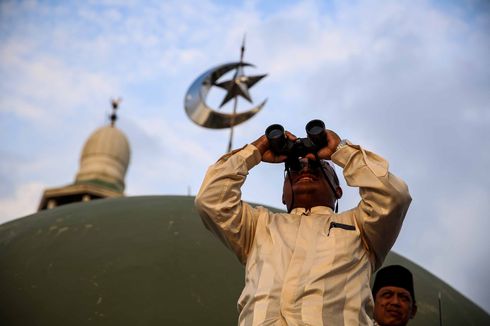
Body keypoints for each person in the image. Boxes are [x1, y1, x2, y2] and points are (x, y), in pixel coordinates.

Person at [195, 124, 412, 325]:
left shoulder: (360, 226)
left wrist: (341, 151)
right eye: (296, 168)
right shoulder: (259, 226)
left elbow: (393, 197)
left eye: (317, 166)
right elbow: (211, 200)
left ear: (338, 190)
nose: (305, 168)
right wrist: (256, 150)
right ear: (283, 194)